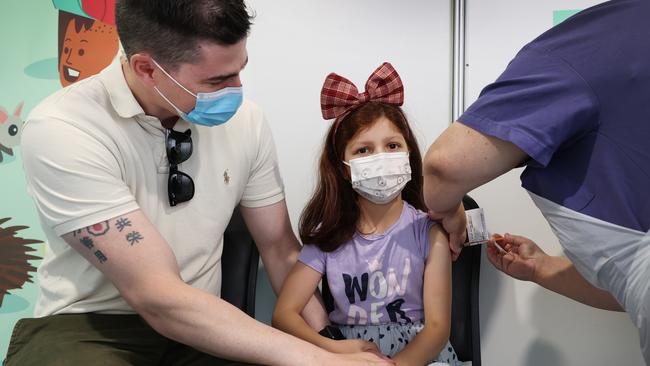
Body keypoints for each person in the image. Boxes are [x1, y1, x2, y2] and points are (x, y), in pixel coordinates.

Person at [4, 1, 394, 365]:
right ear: (147, 69)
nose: (236, 91)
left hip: (204, 328)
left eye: (240, 69)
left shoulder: (247, 123)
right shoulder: (65, 128)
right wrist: (319, 361)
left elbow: (279, 249)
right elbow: (160, 297)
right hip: (89, 328)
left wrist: (327, 339)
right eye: (217, 80)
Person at [421, 0, 650, 363]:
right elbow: (632, 291)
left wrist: (448, 207)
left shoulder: (596, 41)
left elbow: (445, 166)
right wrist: (541, 267)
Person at [273, 63, 461, 366]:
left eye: (392, 145)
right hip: (348, 357)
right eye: (363, 150)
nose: (380, 158)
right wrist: (330, 349)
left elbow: (437, 330)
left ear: (409, 155)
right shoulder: (328, 237)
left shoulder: (429, 233)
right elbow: (284, 314)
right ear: (342, 168)